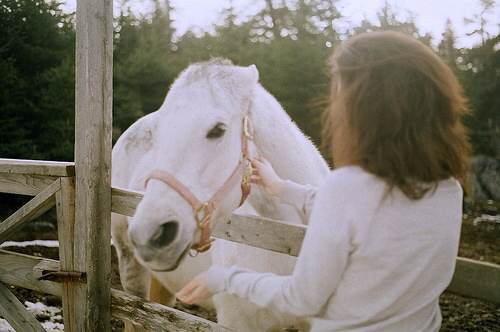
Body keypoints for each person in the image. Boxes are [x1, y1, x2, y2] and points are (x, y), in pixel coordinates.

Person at [176, 31, 471, 331]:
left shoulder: (346, 188)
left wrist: (223, 278)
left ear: (367, 107)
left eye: (341, 91)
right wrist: (281, 188)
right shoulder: (449, 190)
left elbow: (302, 299)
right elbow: (372, 217)